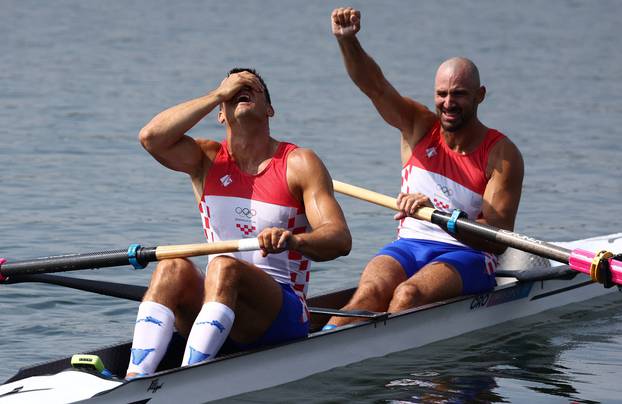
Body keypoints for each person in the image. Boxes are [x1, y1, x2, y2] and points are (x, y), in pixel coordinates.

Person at [126, 68, 351, 377]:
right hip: (218, 302)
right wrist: (217, 93)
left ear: (269, 110)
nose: (241, 89)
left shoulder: (299, 163)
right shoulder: (205, 159)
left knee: (222, 266)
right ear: (221, 114)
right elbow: (150, 138)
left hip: (281, 313)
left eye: (252, 87)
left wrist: (295, 240)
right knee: (171, 264)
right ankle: (135, 378)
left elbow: (339, 238)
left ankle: (190, 381)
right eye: (233, 91)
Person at [325, 8, 524, 328]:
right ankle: (324, 345)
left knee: (407, 295)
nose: (448, 103)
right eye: (442, 94)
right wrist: (348, 41)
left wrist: (442, 215)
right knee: (369, 293)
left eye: (459, 94)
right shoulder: (417, 126)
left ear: (480, 95)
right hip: (409, 246)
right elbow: (374, 86)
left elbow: (498, 238)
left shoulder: (501, 154)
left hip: (470, 256)